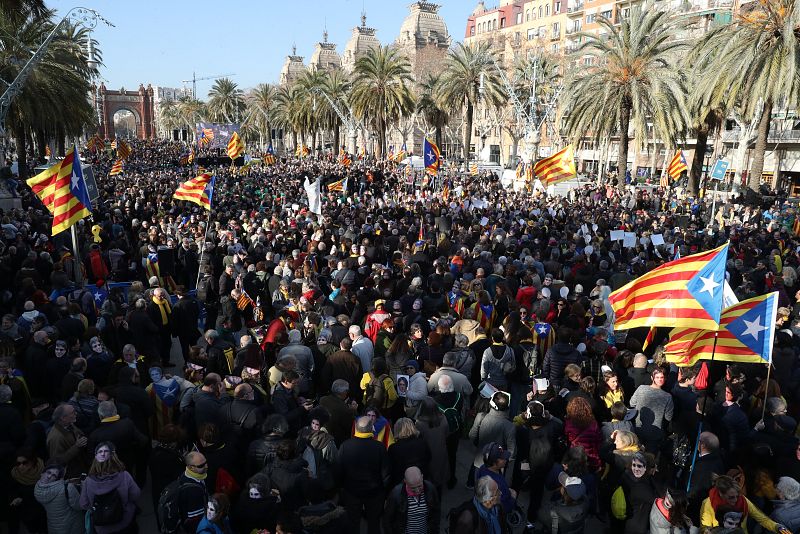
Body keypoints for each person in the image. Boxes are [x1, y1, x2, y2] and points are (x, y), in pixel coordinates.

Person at [337, 415, 389, 534]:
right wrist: (384, 491)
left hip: (352, 492)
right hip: (375, 493)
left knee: (353, 522)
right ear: (372, 429)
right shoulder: (380, 447)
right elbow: (386, 473)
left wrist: (342, 488)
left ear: (356, 428)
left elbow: (339, 470)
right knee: (374, 523)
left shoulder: (346, 446)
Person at [78, 442, 141, 534]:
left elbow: (83, 504)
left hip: (102, 528)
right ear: (114, 458)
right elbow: (136, 495)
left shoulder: (88, 481)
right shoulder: (124, 476)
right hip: (125, 522)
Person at [699, 474, 780, 532]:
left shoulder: (742, 500)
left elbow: (762, 518)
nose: (735, 500)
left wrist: (777, 527)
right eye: (731, 497)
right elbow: (705, 528)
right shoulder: (708, 503)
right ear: (721, 493)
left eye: (737, 496)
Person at [468, 391, 516, 489]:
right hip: (498, 467)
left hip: (480, 462)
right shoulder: (510, 426)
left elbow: (472, 435)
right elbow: (512, 451)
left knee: (479, 490)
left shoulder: (481, 416)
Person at [383, 466, 441, 534]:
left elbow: (436, 512)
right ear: (405, 481)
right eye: (413, 488)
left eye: (419, 486)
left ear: (422, 477)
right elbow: (387, 520)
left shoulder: (430, 489)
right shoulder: (396, 494)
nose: (417, 490)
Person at [34, 461, 84, 534]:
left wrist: (67, 482)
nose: (49, 476)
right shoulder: (67, 488)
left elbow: (53, 488)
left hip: (54, 526)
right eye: (49, 472)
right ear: (43, 473)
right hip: (72, 525)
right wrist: (82, 488)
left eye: (53, 475)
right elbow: (79, 506)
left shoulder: (37, 488)